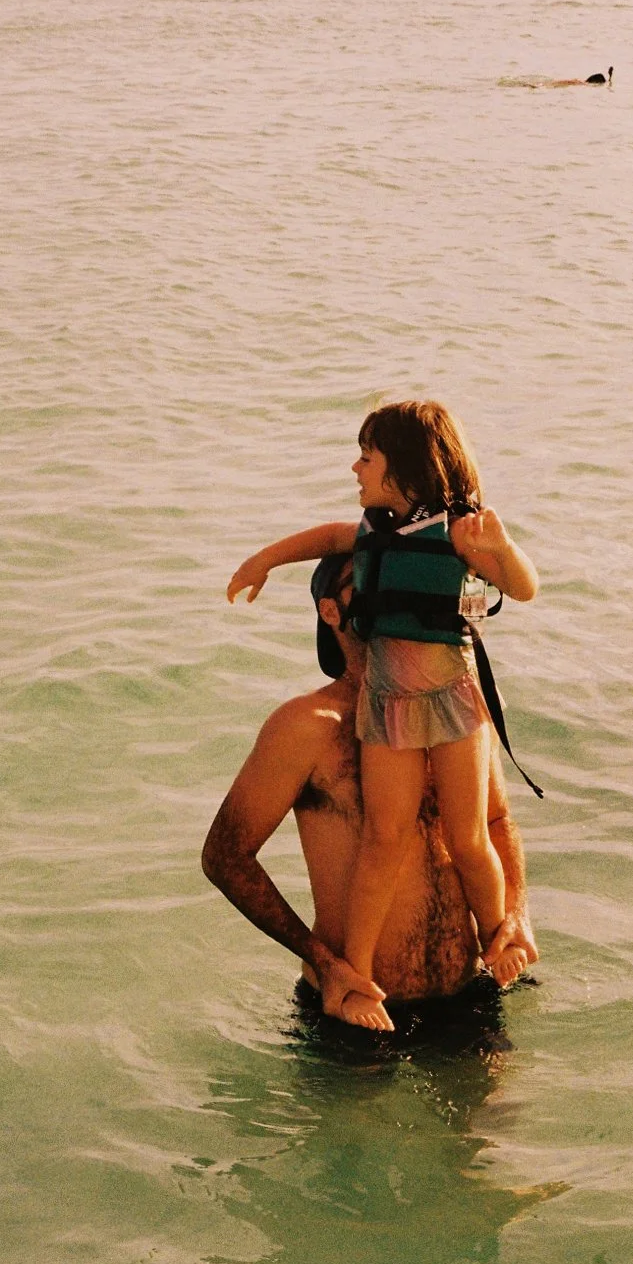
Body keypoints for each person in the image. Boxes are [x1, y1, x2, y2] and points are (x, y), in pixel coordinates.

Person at [227, 400, 539, 1029]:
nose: (369, 585)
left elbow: (497, 823)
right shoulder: (308, 729)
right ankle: (359, 975)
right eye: (354, 584)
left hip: (471, 1000)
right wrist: (331, 967)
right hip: (353, 1020)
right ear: (332, 612)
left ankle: (497, 936)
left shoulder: (456, 544)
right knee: (383, 838)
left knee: (469, 832)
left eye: (367, 456)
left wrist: (515, 919)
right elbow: (226, 859)